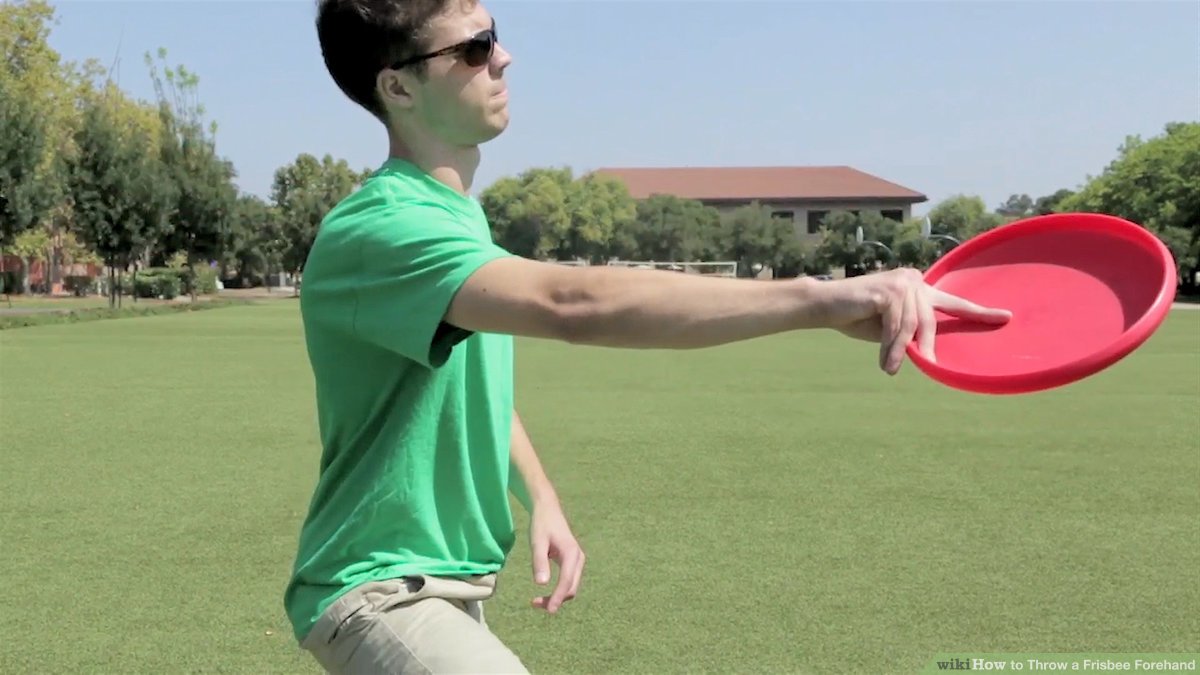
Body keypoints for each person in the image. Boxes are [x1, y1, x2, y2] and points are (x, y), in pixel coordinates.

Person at [286, 0, 1013, 673]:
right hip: (380, 589)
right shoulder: (380, 229)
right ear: (400, 87)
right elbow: (572, 302)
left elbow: (467, 387)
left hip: (446, 583)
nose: (503, 57)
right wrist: (818, 300)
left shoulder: (453, 220)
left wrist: (539, 495)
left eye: (495, 32)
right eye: (474, 47)